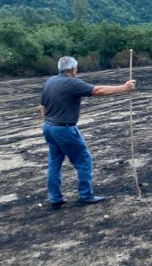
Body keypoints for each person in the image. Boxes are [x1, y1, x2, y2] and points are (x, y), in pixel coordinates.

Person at [39, 56, 136, 209]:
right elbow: (98, 90)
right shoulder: (71, 82)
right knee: (84, 160)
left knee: (54, 163)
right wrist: (123, 88)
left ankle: (55, 198)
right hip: (64, 128)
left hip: (49, 127)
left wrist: (49, 123)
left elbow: (42, 107)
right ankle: (85, 195)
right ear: (73, 69)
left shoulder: (50, 81)